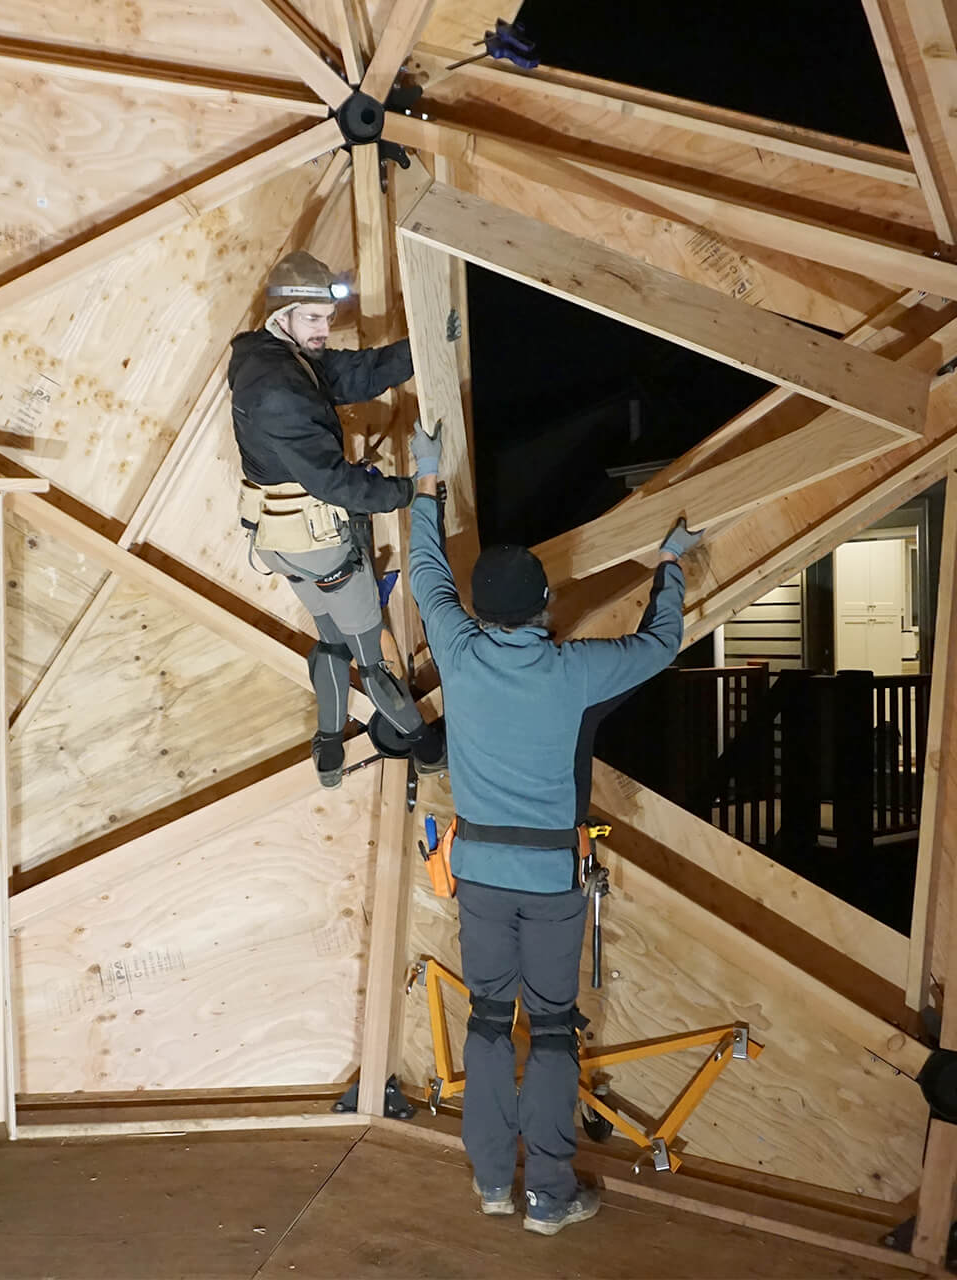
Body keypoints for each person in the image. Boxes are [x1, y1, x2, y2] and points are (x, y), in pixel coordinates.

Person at [405, 424, 700, 1235]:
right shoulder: (572, 672)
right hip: (550, 885)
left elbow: (428, 573)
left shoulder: (458, 653)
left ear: (480, 611)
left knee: (490, 1025)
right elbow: (661, 643)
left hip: (479, 878)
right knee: (556, 1033)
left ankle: (495, 1183)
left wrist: (425, 480)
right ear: (543, 607)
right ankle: (550, 1196)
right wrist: (670, 565)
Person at [228, 250, 447, 786]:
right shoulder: (279, 391)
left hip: (279, 542)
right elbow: (335, 483)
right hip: (319, 544)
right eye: (313, 319)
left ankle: (328, 749)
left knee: (329, 639)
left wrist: (422, 349)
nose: (325, 330)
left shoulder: (269, 356)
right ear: (282, 316)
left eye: (327, 318)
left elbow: (349, 374)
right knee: (370, 658)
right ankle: (427, 747)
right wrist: (415, 490)